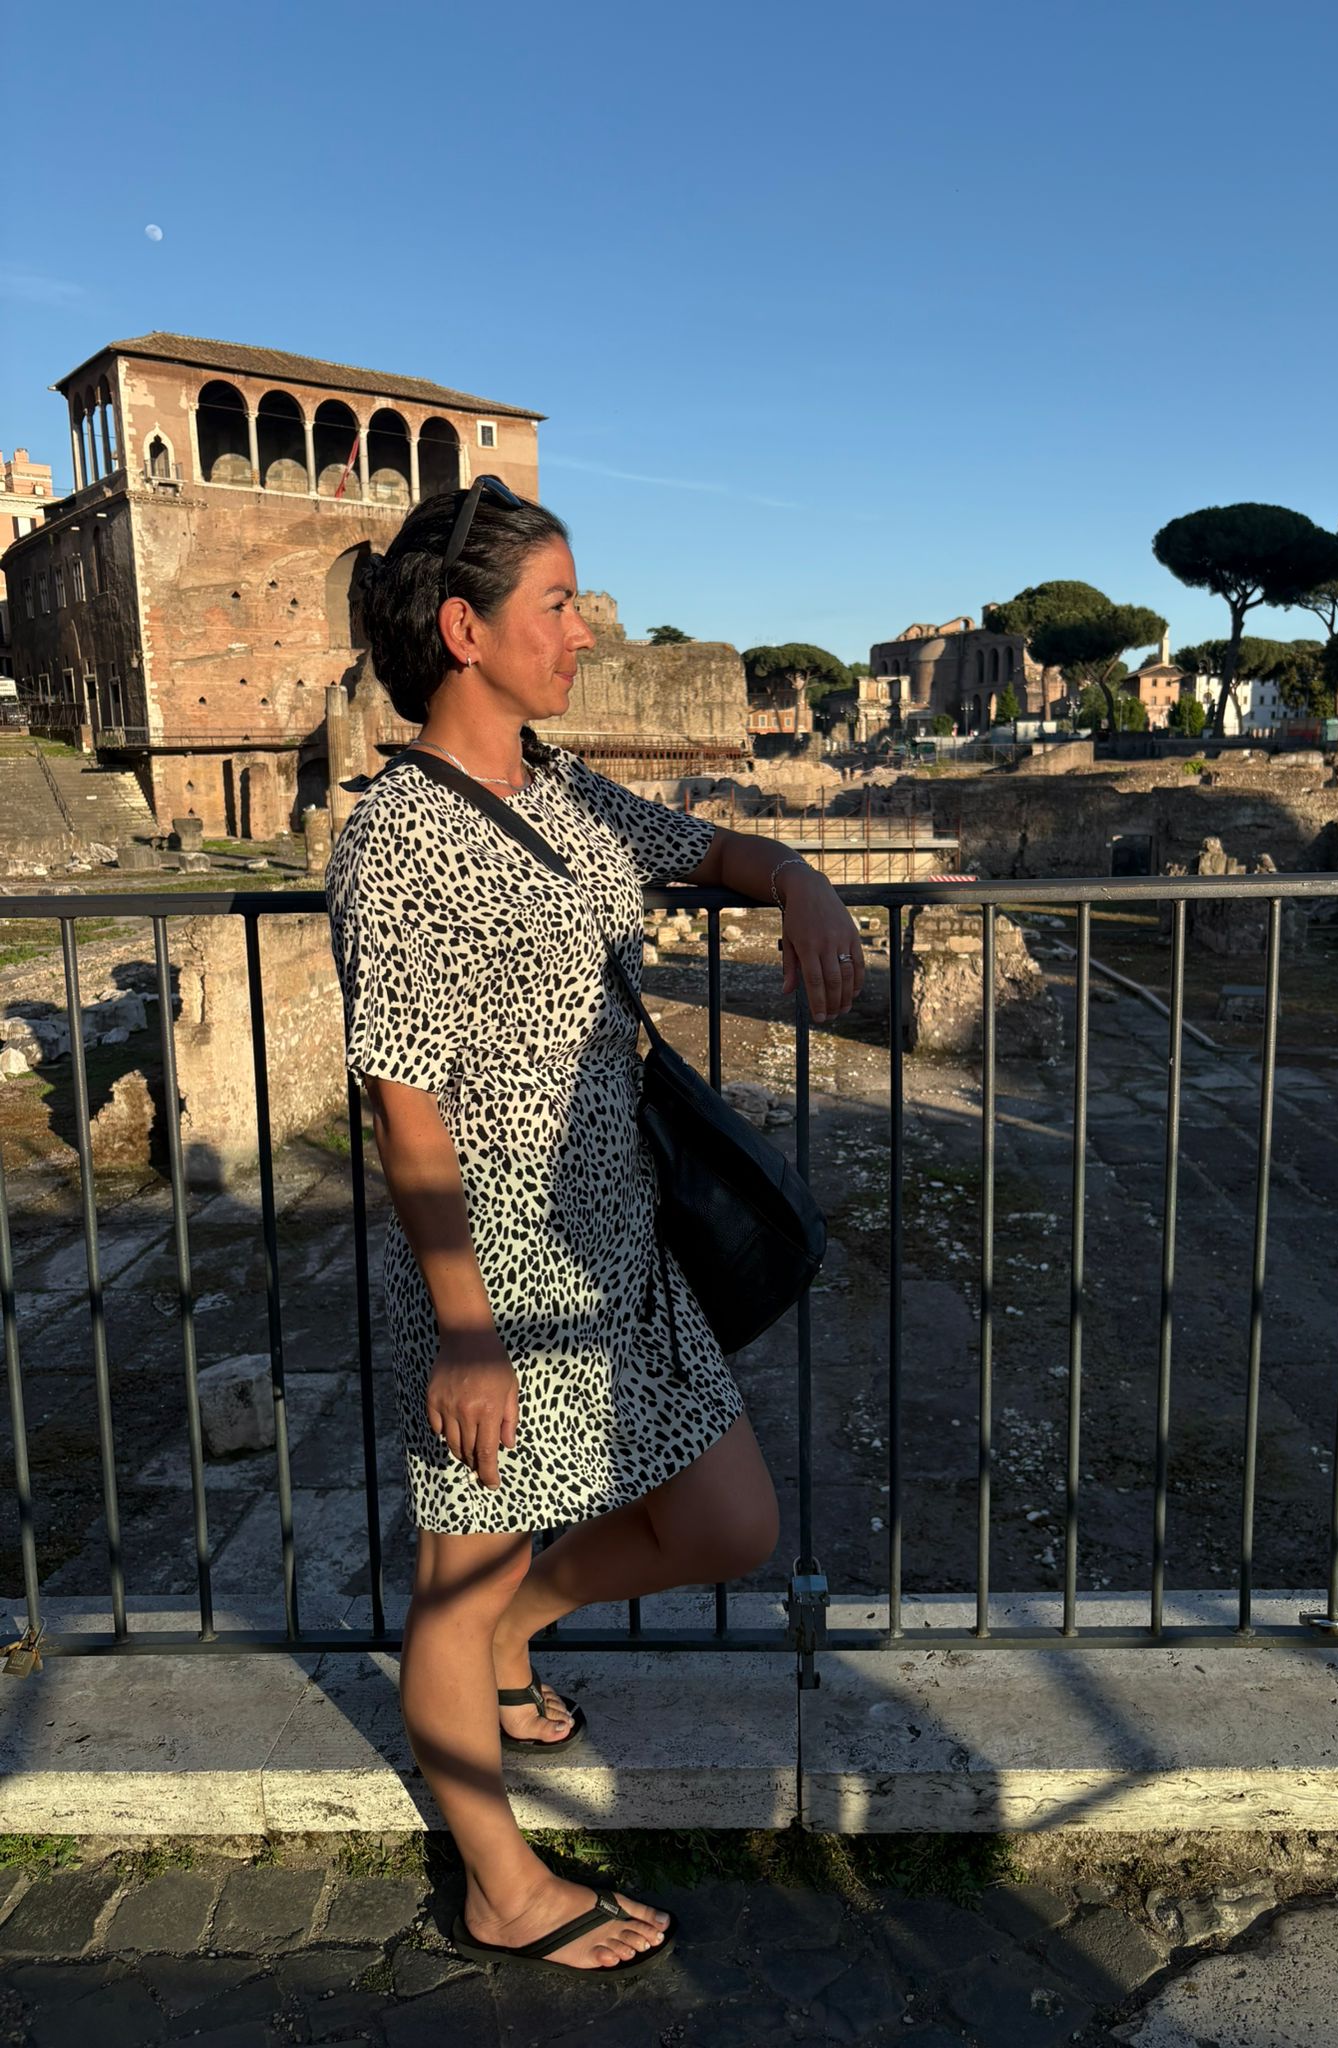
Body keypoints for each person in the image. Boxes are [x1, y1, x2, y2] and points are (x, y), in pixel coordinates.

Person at [324, 480, 864, 1975]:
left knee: (725, 1522)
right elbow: (403, 1097)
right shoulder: (402, 845)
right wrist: (465, 1326)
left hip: (621, 1244)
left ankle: (516, 1631)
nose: (582, 631)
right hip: (491, 1267)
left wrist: (803, 880)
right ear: (463, 629)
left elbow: (703, 850)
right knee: (455, 1578)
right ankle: (497, 1877)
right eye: (555, 605)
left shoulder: (558, 794)